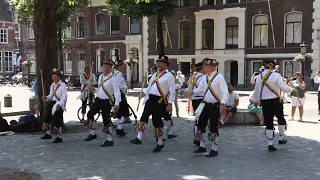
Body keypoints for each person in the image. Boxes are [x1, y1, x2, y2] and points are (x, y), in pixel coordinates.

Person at [130, 55, 176, 153]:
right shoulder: (155, 75)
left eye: (161, 62)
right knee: (143, 117)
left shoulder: (169, 76)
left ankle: (160, 142)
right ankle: (139, 138)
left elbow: (172, 91)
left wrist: (170, 103)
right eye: (157, 62)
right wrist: (145, 94)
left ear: (166, 64)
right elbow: (150, 86)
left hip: (160, 101)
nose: (158, 64)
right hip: (150, 99)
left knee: (157, 121)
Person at [252, 60, 294, 152]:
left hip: (265, 102)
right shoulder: (276, 75)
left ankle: (270, 143)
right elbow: (283, 87)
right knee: (280, 118)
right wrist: (291, 90)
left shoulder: (260, 76)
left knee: (268, 122)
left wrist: (256, 100)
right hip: (275, 101)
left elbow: (257, 90)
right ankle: (281, 138)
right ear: (273, 66)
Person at [193, 58, 228, 157]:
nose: (204, 67)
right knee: (200, 125)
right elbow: (200, 90)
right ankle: (202, 145)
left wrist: (223, 103)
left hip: (215, 106)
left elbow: (225, 91)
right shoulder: (204, 78)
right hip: (205, 104)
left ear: (212, 67)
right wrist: (190, 91)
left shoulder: (219, 77)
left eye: (205, 66)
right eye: (204, 66)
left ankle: (214, 149)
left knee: (213, 127)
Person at [83, 59, 121, 147]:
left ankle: (109, 139)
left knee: (106, 120)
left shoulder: (113, 79)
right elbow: (100, 89)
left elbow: (116, 91)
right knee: (90, 114)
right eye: (104, 66)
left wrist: (117, 103)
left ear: (110, 68)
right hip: (98, 99)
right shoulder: (100, 77)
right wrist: (92, 88)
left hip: (107, 101)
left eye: (108, 67)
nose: (106, 68)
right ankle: (93, 134)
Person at [41, 68, 68, 143]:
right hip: (52, 102)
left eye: (55, 76)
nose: (53, 77)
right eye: (53, 76)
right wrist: (46, 97)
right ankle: (48, 133)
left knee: (57, 120)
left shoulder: (63, 85)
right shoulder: (52, 85)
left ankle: (59, 137)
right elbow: (51, 95)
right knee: (47, 118)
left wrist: (60, 104)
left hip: (59, 104)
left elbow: (64, 96)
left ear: (59, 77)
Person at [187, 62, 205, 146]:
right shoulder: (202, 77)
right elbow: (203, 90)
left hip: (194, 99)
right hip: (201, 99)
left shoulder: (193, 77)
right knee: (201, 120)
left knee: (197, 118)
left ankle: (196, 137)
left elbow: (189, 89)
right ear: (202, 68)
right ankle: (198, 138)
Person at [113, 59, 130, 136]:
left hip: (114, 94)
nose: (123, 67)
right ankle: (119, 128)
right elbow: (121, 86)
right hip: (120, 94)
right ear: (119, 67)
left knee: (120, 112)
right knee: (125, 112)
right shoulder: (119, 75)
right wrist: (126, 87)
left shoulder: (113, 74)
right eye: (122, 66)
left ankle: (119, 127)